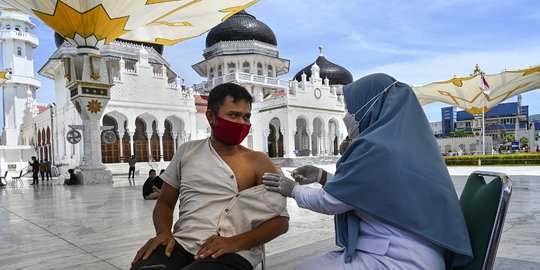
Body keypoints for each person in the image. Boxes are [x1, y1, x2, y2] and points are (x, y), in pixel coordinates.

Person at [263, 73, 473, 269]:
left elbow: (332, 202)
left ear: (370, 106)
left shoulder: (376, 147)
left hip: (398, 259)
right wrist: (322, 176)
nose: (347, 115)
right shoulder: (407, 146)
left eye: (350, 108)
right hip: (415, 253)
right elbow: (367, 190)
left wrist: (293, 190)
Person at [131, 83, 289, 270]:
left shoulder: (258, 161)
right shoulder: (187, 152)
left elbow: (280, 222)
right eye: (233, 115)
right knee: (143, 264)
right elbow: (165, 202)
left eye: (246, 117)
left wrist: (235, 243)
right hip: (183, 242)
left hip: (233, 249)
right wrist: (164, 232)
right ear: (210, 116)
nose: (241, 123)